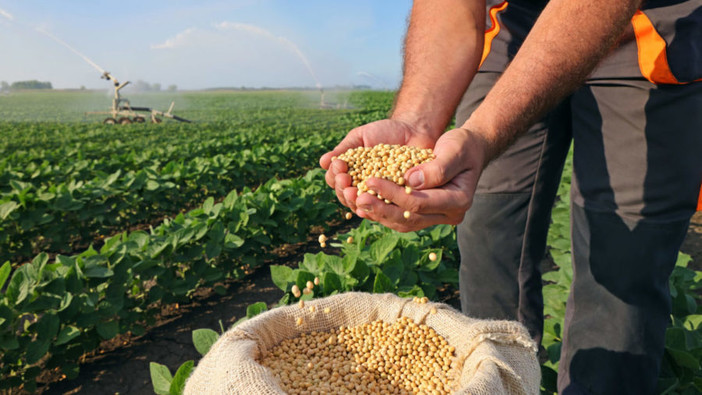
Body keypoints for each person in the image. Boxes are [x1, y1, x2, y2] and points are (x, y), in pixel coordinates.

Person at [321, 0, 702, 393]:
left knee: (625, 263)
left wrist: (482, 136)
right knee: (487, 231)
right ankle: (497, 381)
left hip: (649, 26)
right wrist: (415, 119)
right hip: (516, 21)